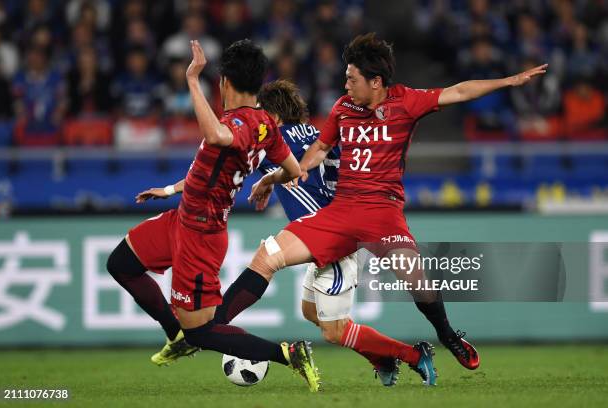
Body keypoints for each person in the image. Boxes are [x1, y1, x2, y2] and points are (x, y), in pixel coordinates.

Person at [217, 33, 548, 376]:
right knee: (269, 256)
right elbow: (317, 149)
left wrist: (509, 81)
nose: (345, 85)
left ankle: (447, 335)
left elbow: (460, 91)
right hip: (342, 211)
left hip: (384, 212)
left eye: (351, 78)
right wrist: (281, 176)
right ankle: (209, 330)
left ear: (375, 82)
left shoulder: (407, 102)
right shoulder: (343, 109)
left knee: (417, 279)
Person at [105, 39, 320, 392]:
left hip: (200, 234)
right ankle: (174, 332)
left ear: (224, 83)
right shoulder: (265, 124)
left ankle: (289, 353)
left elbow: (217, 136)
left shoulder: (238, 123)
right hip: (182, 216)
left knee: (202, 332)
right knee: (122, 263)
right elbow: (294, 169)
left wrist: (191, 80)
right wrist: (173, 190)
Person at [217, 79, 436, 386]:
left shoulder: (273, 139)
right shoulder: (314, 134)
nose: (257, 122)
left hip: (331, 242)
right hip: (327, 231)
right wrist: (269, 181)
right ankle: (382, 357)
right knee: (310, 311)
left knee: (332, 329)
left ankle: (413, 355)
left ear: (274, 118)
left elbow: (232, 160)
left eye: (260, 115)